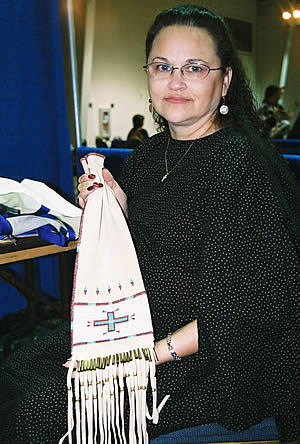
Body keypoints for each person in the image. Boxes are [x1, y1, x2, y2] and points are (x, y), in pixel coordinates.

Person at [0, 5, 299, 443]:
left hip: (207, 357)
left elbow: (251, 305)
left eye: (194, 67)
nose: (175, 81)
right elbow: (150, 247)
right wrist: (113, 212)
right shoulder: (148, 155)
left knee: (42, 412)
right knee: (17, 370)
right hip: (136, 326)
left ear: (226, 81)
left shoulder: (242, 165)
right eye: (162, 67)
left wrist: (149, 354)